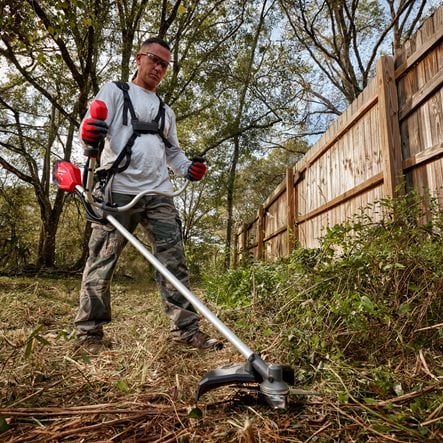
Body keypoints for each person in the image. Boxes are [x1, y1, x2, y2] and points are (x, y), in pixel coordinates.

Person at [75, 36, 222, 351]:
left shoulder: (165, 110)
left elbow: (175, 154)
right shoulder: (114, 91)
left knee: (174, 262)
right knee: (102, 261)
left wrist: (189, 169)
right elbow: (90, 127)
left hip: (158, 195)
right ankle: (89, 333)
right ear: (139, 59)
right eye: (154, 60)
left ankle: (187, 333)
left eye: (164, 64)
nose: (158, 67)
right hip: (116, 191)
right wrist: (89, 133)